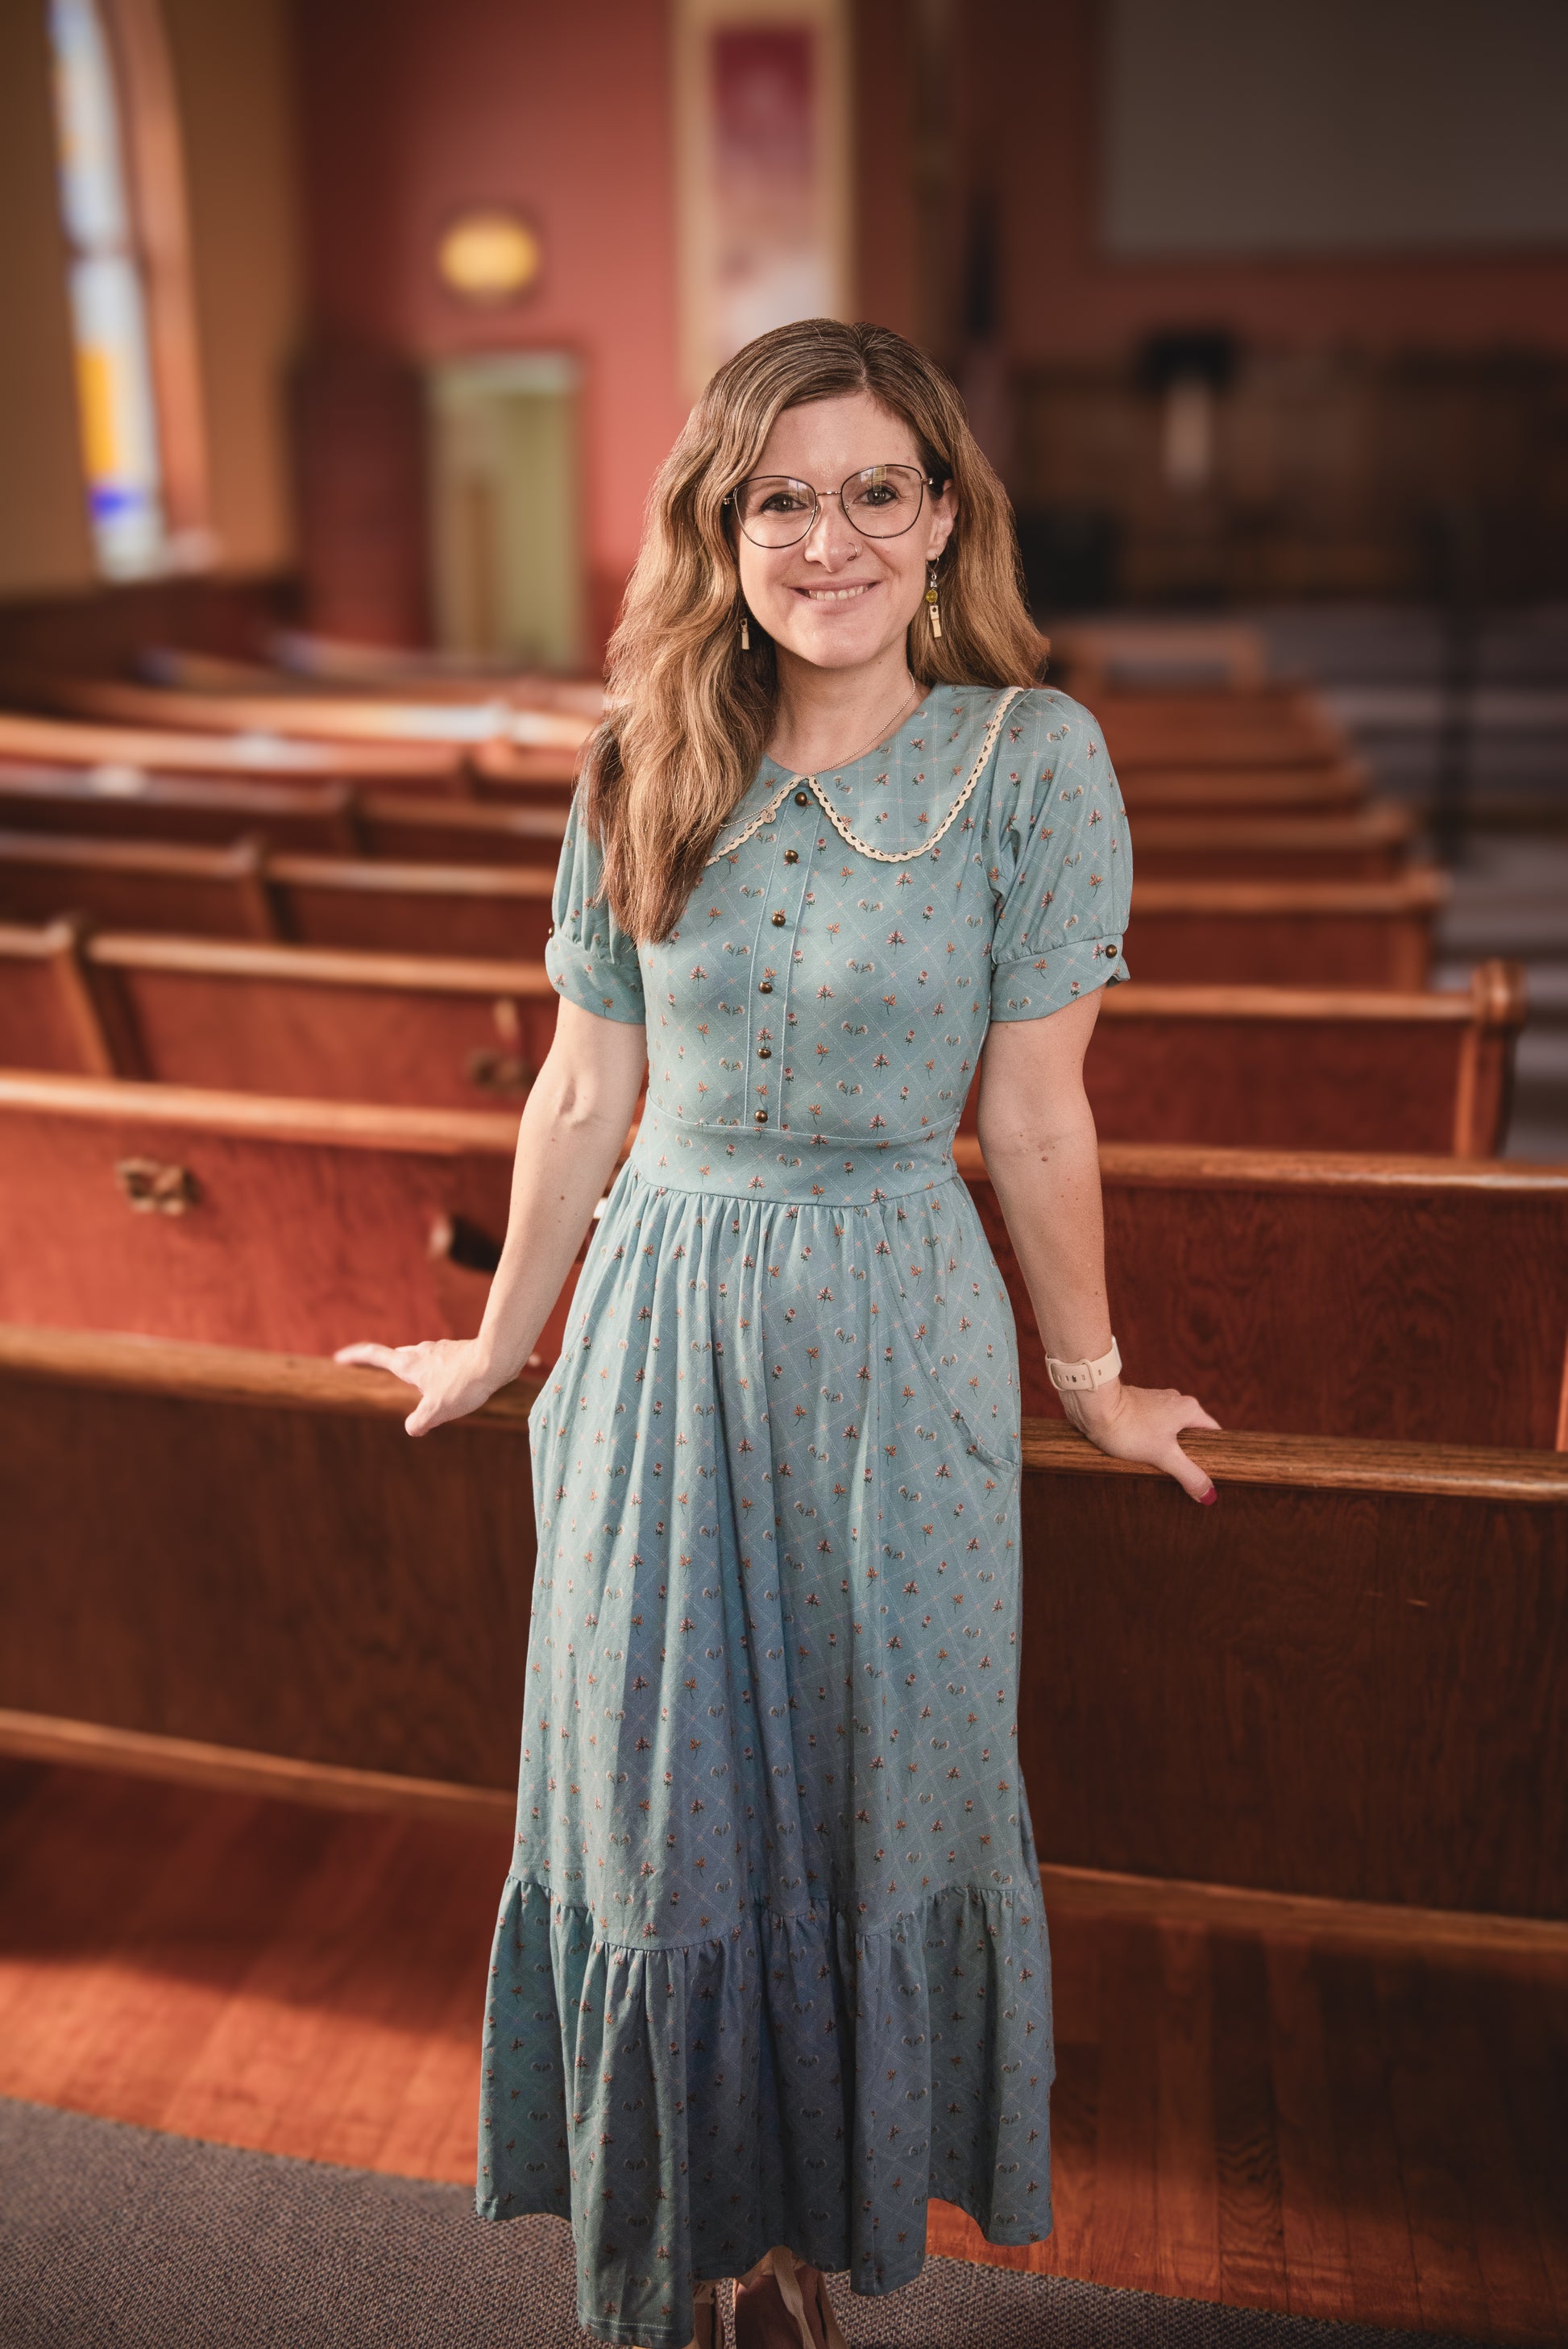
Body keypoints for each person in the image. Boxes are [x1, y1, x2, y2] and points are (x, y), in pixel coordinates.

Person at [338, 317, 1217, 2349]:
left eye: (873, 490)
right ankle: (714, 2242)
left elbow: (1033, 1116)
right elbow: (578, 1097)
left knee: (863, 1786)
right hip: (656, 1331)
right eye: (777, 499)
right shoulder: (644, 751)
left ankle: (811, 2232)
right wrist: (498, 1347)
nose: (827, 538)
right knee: (663, 1809)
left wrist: (1090, 1388)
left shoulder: (1032, 760)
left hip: (896, 1327)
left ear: (941, 515)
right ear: (720, 530)